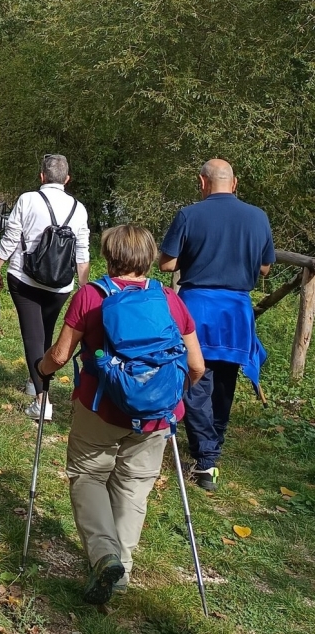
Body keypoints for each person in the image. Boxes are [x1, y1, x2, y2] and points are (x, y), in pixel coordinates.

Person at [36, 224, 205, 605]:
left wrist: (41, 369)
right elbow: (196, 366)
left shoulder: (91, 296)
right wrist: (168, 396)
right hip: (157, 417)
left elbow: (60, 355)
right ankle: (121, 573)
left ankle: (104, 557)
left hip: (101, 408)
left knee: (89, 476)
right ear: (149, 257)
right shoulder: (170, 299)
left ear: (109, 255)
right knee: (134, 486)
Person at [158, 158, 275, 491]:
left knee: (196, 378)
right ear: (234, 183)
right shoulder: (258, 217)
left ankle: (206, 457)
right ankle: (213, 446)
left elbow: (167, 263)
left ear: (202, 182)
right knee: (225, 380)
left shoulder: (189, 215)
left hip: (198, 308)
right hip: (237, 311)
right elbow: (265, 268)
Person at [0, 154, 90, 421]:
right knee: (45, 332)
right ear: (67, 179)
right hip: (61, 284)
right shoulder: (79, 208)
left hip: (25, 278)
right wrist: (84, 287)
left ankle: (42, 401)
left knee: (33, 337)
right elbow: (82, 250)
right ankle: (35, 383)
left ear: (42, 176)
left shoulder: (28, 199)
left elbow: (11, 237)